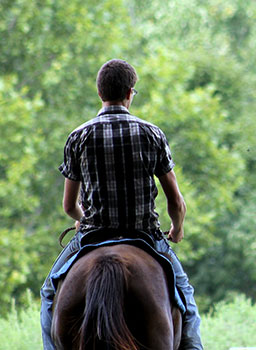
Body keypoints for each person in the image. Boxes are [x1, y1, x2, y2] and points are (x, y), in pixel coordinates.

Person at [40, 59, 203, 350]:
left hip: (92, 236)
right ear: (130, 92)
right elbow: (175, 201)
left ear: (100, 93)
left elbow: (68, 205)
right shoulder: (152, 134)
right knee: (185, 300)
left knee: (50, 294)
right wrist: (177, 228)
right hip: (145, 237)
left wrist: (81, 219)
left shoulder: (78, 137)